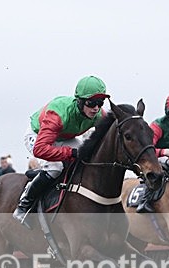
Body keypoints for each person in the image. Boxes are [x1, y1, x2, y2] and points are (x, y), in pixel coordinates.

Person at [13, 75, 109, 226]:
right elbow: (40, 149)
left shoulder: (99, 115)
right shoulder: (57, 115)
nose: (96, 108)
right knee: (55, 167)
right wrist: (70, 153)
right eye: (91, 103)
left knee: (87, 160)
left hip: (64, 136)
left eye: (100, 103)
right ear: (80, 101)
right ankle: (24, 204)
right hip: (38, 136)